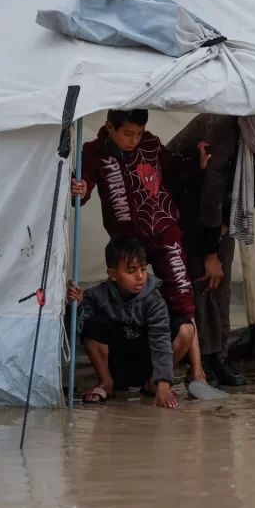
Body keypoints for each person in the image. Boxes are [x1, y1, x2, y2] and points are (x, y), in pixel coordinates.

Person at [70, 109, 213, 389]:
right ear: (109, 126)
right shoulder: (93, 152)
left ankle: (197, 371)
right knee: (125, 295)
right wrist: (81, 188)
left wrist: (198, 163)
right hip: (126, 240)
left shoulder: (151, 144)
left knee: (182, 296)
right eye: (128, 133)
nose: (134, 140)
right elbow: (84, 184)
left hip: (164, 230)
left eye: (138, 133)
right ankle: (116, 374)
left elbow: (176, 167)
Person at [165, 111, 255, 387]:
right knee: (201, 282)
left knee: (218, 286)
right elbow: (210, 194)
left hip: (220, 215)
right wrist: (211, 253)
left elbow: (254, 188)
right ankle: (200, 361)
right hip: (186, 211)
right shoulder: (220, 132)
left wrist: (225, 228)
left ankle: (219, 357)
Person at [67, 237, 188, 408]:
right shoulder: (97, 295)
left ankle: (153, 384)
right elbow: (77, 330)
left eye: (143, 269)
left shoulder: (154, 299)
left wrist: (164, 381)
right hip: (117, 365)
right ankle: (106, 384)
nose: (140, 277)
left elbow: (160, 338)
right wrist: (77, 305)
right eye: (131, 271)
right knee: (92, 325)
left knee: (186, 329)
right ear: (113, 274)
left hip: (147, 363)